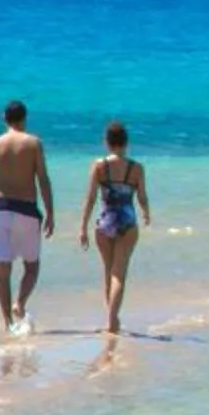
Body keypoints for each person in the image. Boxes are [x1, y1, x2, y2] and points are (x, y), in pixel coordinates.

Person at [0, 99, 55, 335]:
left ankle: (8, 323)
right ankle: (20, 303)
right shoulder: (33, 143)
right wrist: (50, 212)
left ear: (4, 119)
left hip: (1, 210)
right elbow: (43, 179)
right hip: (27, 210)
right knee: (32, 267)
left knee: (2, 272)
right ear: (24, 119)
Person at [76, 120, 153, 335]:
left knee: (108, 272)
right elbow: (142, 197)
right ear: (126, 142)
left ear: (107, 142)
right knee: (118, 274)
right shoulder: (136, 168)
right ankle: (112, 320)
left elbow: (90, 198)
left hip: (105, 222)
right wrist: (146, 213)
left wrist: (82, 227)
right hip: (127, 222)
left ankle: (111, 319)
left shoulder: (99, 166)